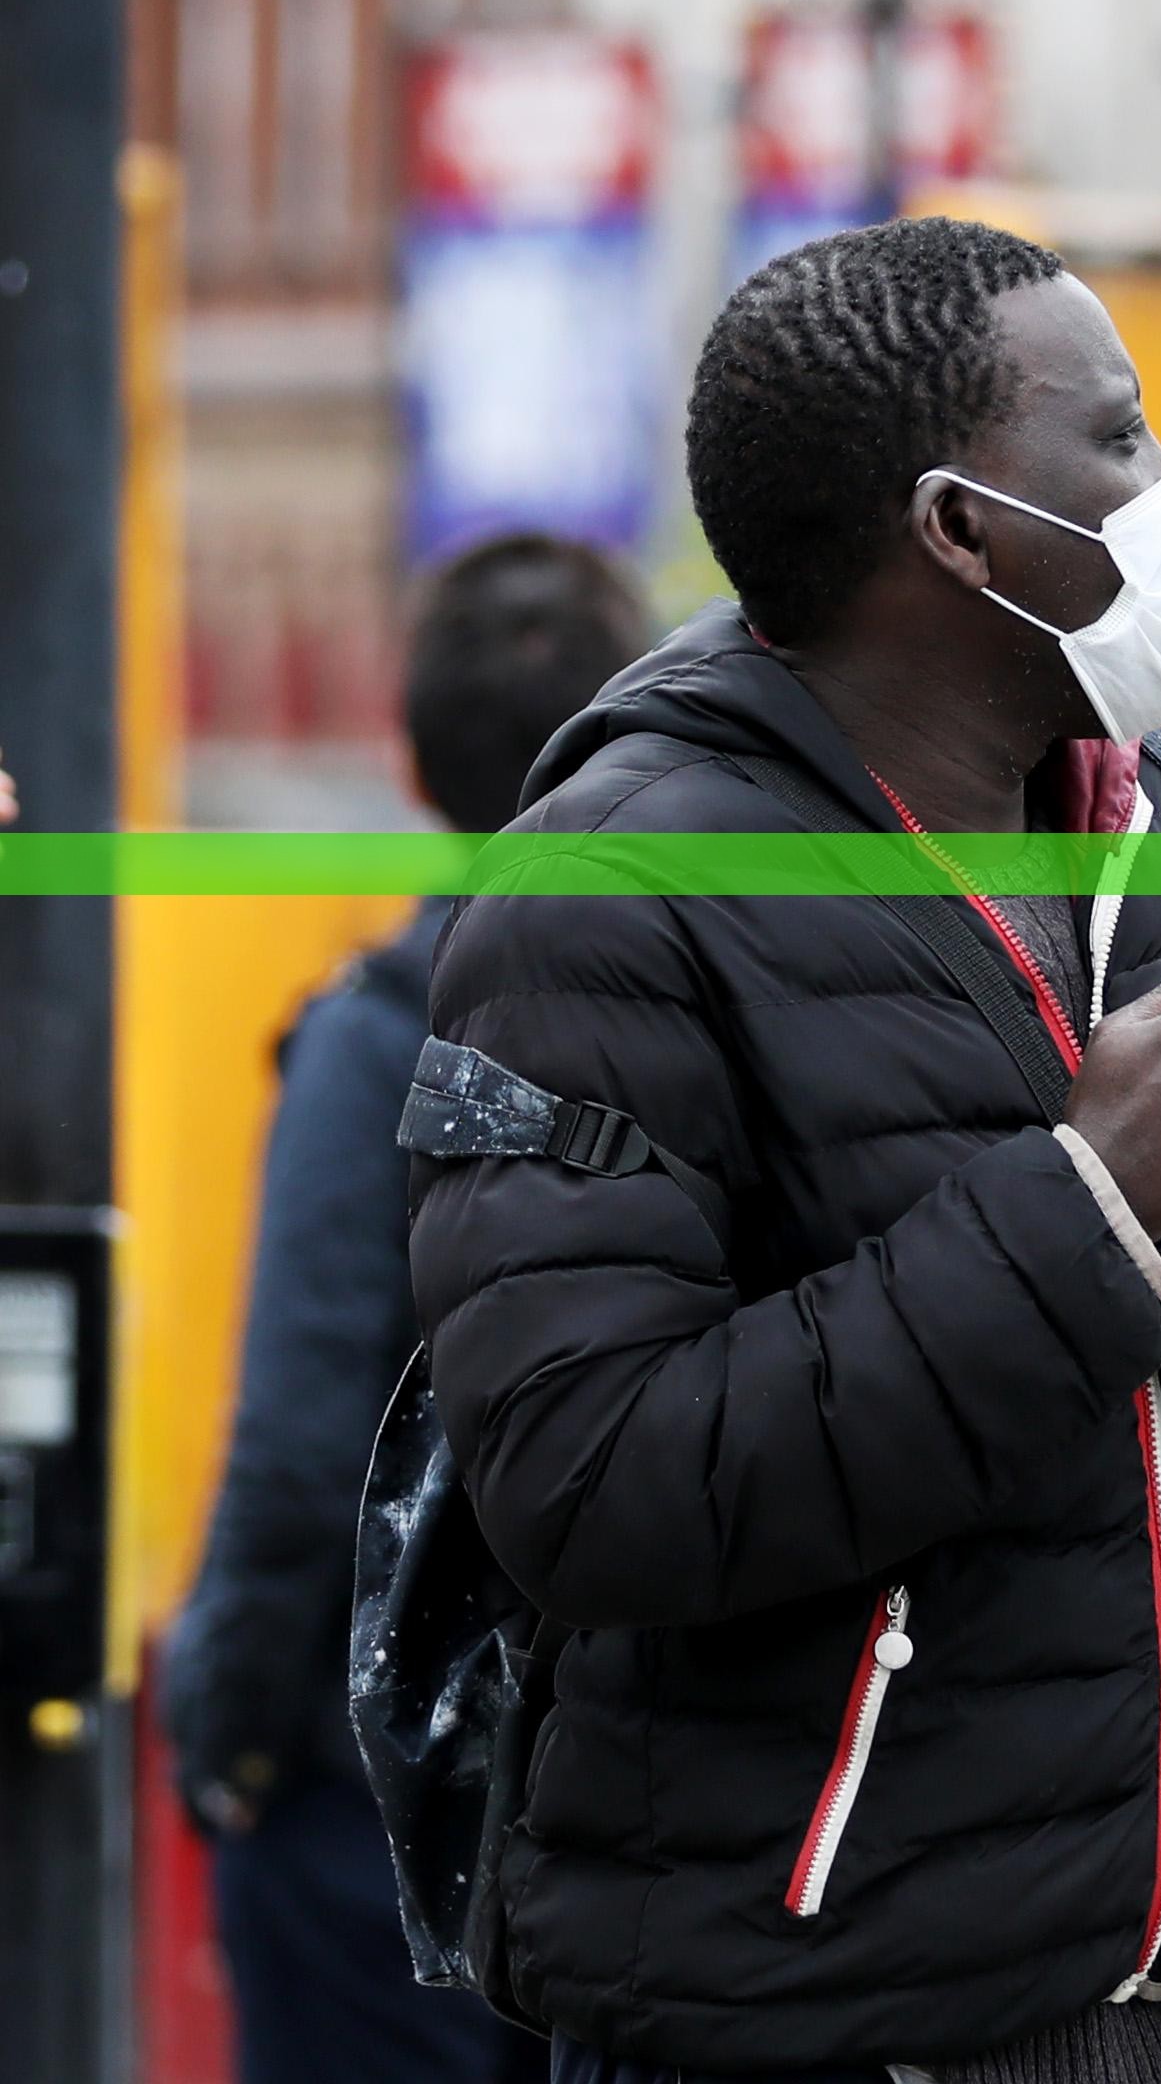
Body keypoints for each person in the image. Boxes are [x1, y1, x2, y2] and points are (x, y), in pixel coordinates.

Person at [403, 217, 1161, 2082]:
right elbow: (590, 1490)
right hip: (827, 2020)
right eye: (1121, 440)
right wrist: (1090, 1198)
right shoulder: (613, 897)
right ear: (959, 533)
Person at [161, 534, 650, 2084]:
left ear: (407, 755)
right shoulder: (704, 1013)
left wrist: (226, 1735)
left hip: (376, 1804)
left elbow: (303, 1444)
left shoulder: (378, 1043)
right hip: (629, 1798)